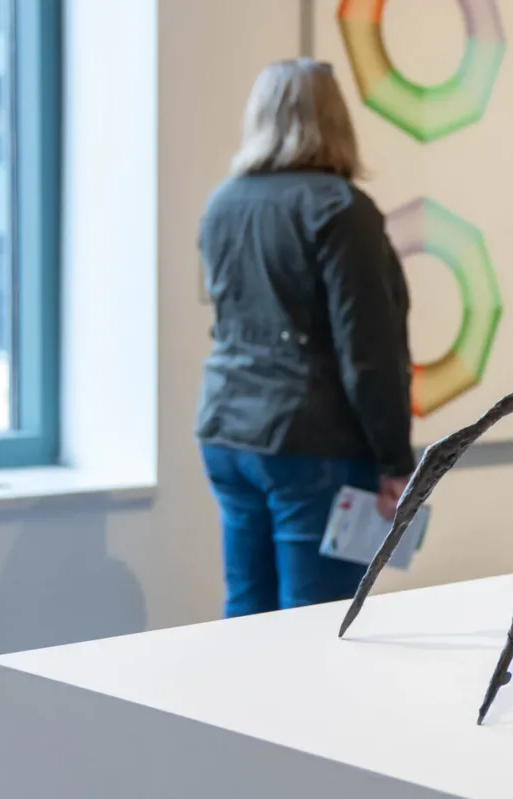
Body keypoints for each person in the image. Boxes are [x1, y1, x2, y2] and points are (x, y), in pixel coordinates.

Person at [195, 58, 413, 618]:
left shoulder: (223, 204)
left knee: (246, 608)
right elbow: (368, 350)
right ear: (337, 119)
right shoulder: (341, 209)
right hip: (311, 439)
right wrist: (395, 461)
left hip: (227, 431)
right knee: (311, 620)